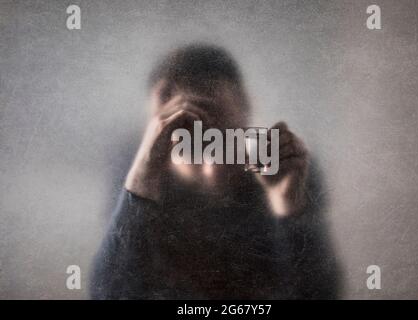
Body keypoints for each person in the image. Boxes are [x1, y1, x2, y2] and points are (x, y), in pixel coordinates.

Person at [90, 43, 340, 299]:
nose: (211, 168)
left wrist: (286, 205)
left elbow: (321, 294)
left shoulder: (281, 165)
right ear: (162, 136)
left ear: (246, 111)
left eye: (223, 137)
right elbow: (109, 294)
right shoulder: (138, 170)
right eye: (195, 140)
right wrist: (144, 173)